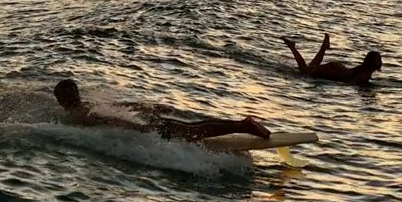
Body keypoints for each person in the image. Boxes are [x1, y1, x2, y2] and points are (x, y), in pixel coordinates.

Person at [52, 79, 270, 142]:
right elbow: (119, 109)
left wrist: (140, 129)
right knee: (194, 128)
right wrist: (144, 107)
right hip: (149, 126)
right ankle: (242, 124)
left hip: (148, 129)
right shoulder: (87, 106)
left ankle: (245, 125)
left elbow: (111, 121)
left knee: (194, 131)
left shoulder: (82, 115)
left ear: (62, 99)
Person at [284, 33, 381, 85]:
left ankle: (324, 47)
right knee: (304, 70)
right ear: (371, 62)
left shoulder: (364, 70)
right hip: (335, 71)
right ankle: (292, 47)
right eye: (378, 59)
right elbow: (352, 82)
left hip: (337, 69)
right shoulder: (364, 74)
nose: (381, 61)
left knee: (310, 68)